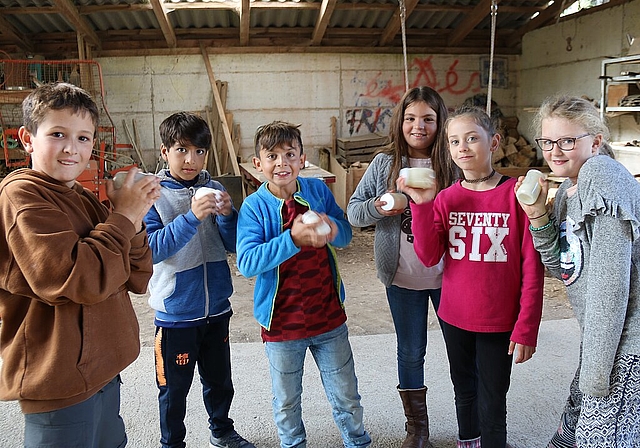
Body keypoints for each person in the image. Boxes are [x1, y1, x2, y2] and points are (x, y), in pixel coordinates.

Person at [0, 82, 161, 447]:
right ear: (27, 138)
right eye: (58, 134)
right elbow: (75, 279)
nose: (73, 148)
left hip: (103, 370)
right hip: (61, 382)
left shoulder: (83, 198)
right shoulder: (22, 195)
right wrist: (124, 214)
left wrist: (133, 219)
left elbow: (137, 275)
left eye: (84, 138)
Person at [401, 105, 544, 448]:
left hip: (499, 320)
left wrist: (527, 326)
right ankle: (469, 443)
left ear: (493, 142)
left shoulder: (517, 196)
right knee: (464, 390)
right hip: (454, 316)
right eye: (454, 141)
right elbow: (429, 254)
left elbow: (531, 266)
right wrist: (420, 205)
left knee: (493, 399)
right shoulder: (447, 198)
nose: (462, 147)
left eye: (471, 138)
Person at [236, 121, 371, 448]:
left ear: (302, 160)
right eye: (272, 156)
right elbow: (247, 262)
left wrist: (335, 230)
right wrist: (292, 239)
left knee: (347, 395)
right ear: (259, 164)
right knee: (286, 401)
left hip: (328, 318)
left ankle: (358, 443)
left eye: (289, 154)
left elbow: (348, 234)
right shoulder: (254, 207)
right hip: (282, 325)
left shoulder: (318, 192)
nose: (281, 163)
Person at [516, 95, 640, 448]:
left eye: (568, 141)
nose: (555, 151)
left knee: (597, 437)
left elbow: (610, 286)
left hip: (628, 342)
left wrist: (596, 376)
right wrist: (538, 214)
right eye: (548, 142)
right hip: (603, 339)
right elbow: (562, 268)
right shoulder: (571, 190)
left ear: (596, 141)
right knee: (568, 435)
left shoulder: (601, 176)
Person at [347, 86, 457, 447]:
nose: (419, 126)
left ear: (440, 122)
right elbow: (353, 212)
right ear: (400, 122)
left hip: (451, 276)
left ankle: (469, 421)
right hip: (401, 275)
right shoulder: (385, 164)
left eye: (428, 118)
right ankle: (417, 429)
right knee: (411, 350)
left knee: (461, 349)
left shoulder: (454, 162)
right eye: (411, 118)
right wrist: (381, 207)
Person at [143, 112, 255, 448]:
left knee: (220, 381)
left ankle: (221, 431)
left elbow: (235, 246)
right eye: (181, 150)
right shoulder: (153, 194)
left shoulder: (216, 187)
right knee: (173, 388)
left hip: (217, 308)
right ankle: (172, 443)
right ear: (165, 152)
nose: (191, 160)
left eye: (200, 151)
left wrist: (226, 217)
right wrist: (192, 216)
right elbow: (152, 250)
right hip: (176, 314)